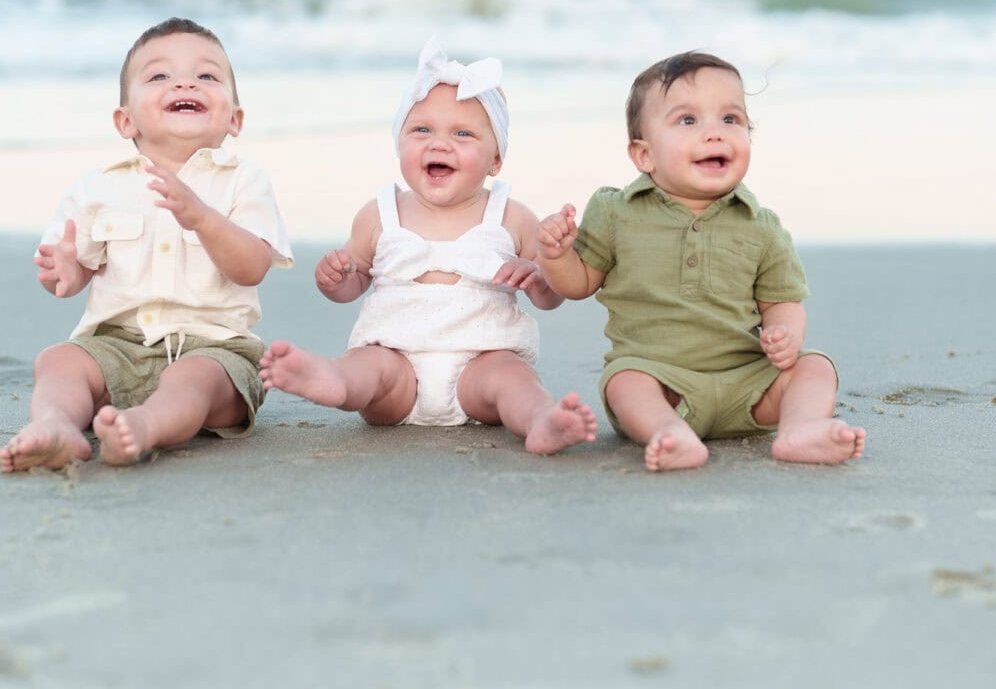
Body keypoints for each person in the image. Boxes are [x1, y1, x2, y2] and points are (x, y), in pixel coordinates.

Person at [257, 37, 596, 454]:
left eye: (463, 133)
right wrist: (336, 278)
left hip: (482, 359)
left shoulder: (511, 215)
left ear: (495, 160)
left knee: (514, 381)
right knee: (368, 366)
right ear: (399, 143)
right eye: (421, 130)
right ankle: (333, 381)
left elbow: (549, 298)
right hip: (396, 362)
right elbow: (353, 283)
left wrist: (541, 276)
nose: (439, 143)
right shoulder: (380, 213)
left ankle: (541, 419)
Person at [536, 51, 865, 471]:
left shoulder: (761, 226)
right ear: (644, 155)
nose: (715, 133)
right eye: (688, 121)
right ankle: (666, 431)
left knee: (816, 366)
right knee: (624, 381)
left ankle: (800, 428)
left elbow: (782, 302)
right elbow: (578, 282)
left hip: (748, 383)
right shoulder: (616, 212)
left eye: (731, 119)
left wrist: (785, 334)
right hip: (663, 381)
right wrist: (557, 255)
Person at [0, 18, 292, 471]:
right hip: (117, 345)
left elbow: (251, 267)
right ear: (125, 120)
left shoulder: (243, 182)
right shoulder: (98, 188)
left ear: (235, 118)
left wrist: (201, 218)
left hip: (215, 350)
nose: (184, 81)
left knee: (193, 381)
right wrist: (66, 271)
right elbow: (77, 270)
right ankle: (57, 424)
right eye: (159, 75)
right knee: (58, 361)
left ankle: (144, 426)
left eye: (207, 76)